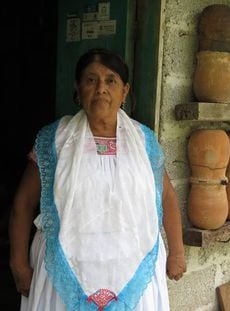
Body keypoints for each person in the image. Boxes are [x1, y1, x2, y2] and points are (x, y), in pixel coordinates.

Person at [9, 47, 186, 311]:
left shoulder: (144, 142)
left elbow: (167, 197)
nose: (101, 88)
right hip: (63, 274)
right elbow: (22, 203)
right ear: (78, 89)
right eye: (91, 80)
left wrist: (178, 252)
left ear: (124, 91)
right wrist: (19, 264)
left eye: (111, 80)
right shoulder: (54, 141)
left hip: (133, 268)